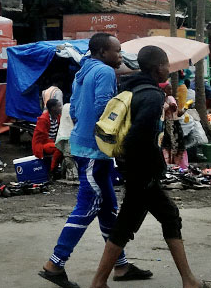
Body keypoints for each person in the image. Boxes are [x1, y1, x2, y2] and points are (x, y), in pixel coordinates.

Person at [87, 46, 211, 288]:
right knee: (130, 224)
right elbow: (138, 136)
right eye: (166, 65)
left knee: (164, 217)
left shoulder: (131, 88)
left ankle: (188, 280)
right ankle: (98, 282)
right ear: (158, 68)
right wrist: (149, 166)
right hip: (142, 172)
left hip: (135, 170)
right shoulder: (152, 96)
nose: (169, 69)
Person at [39, 33, 150, 288]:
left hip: (84, 146)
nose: (120, 55)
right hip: (94, 151)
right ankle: (54, 264)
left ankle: (120, 266)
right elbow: (105, 110)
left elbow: (75, 109)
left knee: (108, 208)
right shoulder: (105, 73)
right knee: (88, 206)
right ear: (102, 52)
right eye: (117, 51)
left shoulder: (83, 70)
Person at [161, 81, 188, 169]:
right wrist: (169, 106)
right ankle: (171, 165)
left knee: (175, 146)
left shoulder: (170, 98)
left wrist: (185, 108)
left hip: (174, 125)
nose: (171, 90)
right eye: (169, 89)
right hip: (168, 125)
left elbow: (177, 113)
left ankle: (178, 165)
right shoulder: (163, 99)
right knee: (169, 145)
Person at [34, 98, 65, 174]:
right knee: (59, 148)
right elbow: (42, 137)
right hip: (42, 144)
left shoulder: (58, 117)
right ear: (53, 108)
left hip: (53, 141)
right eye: (59, 106)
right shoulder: (43, 119)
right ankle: (52, 169)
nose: (61, 108)